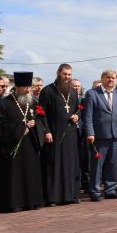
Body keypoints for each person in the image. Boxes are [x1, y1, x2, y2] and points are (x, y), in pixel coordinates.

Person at [0, 72, 47, 212]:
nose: (28, 90)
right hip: (13, 145)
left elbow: (42, 120)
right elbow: (0, 125)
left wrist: (36, 124)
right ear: (17, 87)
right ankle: (14, 203)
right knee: (14, 174)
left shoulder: (34, 102)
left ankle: (31, 202)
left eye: (29, 87)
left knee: (31, 172)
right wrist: (19, 129)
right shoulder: (5, 103)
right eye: (25, 88)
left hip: (30, 143)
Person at [38, 63, 81, 205]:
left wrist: (77, 116)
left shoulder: (74, 92)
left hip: (70, 134)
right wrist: (46, 131)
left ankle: (70, 195)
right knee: (54, 165)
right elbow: (41, 113)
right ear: (58, 73)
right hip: (54, 134)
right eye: (64, 74)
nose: (67, 77)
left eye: (69, 75)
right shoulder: (47, 91)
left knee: (70, 164)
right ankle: (53, 197)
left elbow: (77, 109)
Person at [83, 69, 117, 201]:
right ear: (102, 78)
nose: (111, 80)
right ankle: (95, 191)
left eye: (113, 78)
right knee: (97, 165)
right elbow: (88, 116)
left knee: (112, 164)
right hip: (99, 136)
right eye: (108, 77)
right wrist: (90, 132)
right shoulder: (92, 93)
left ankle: (110, 189)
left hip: (115, 135)